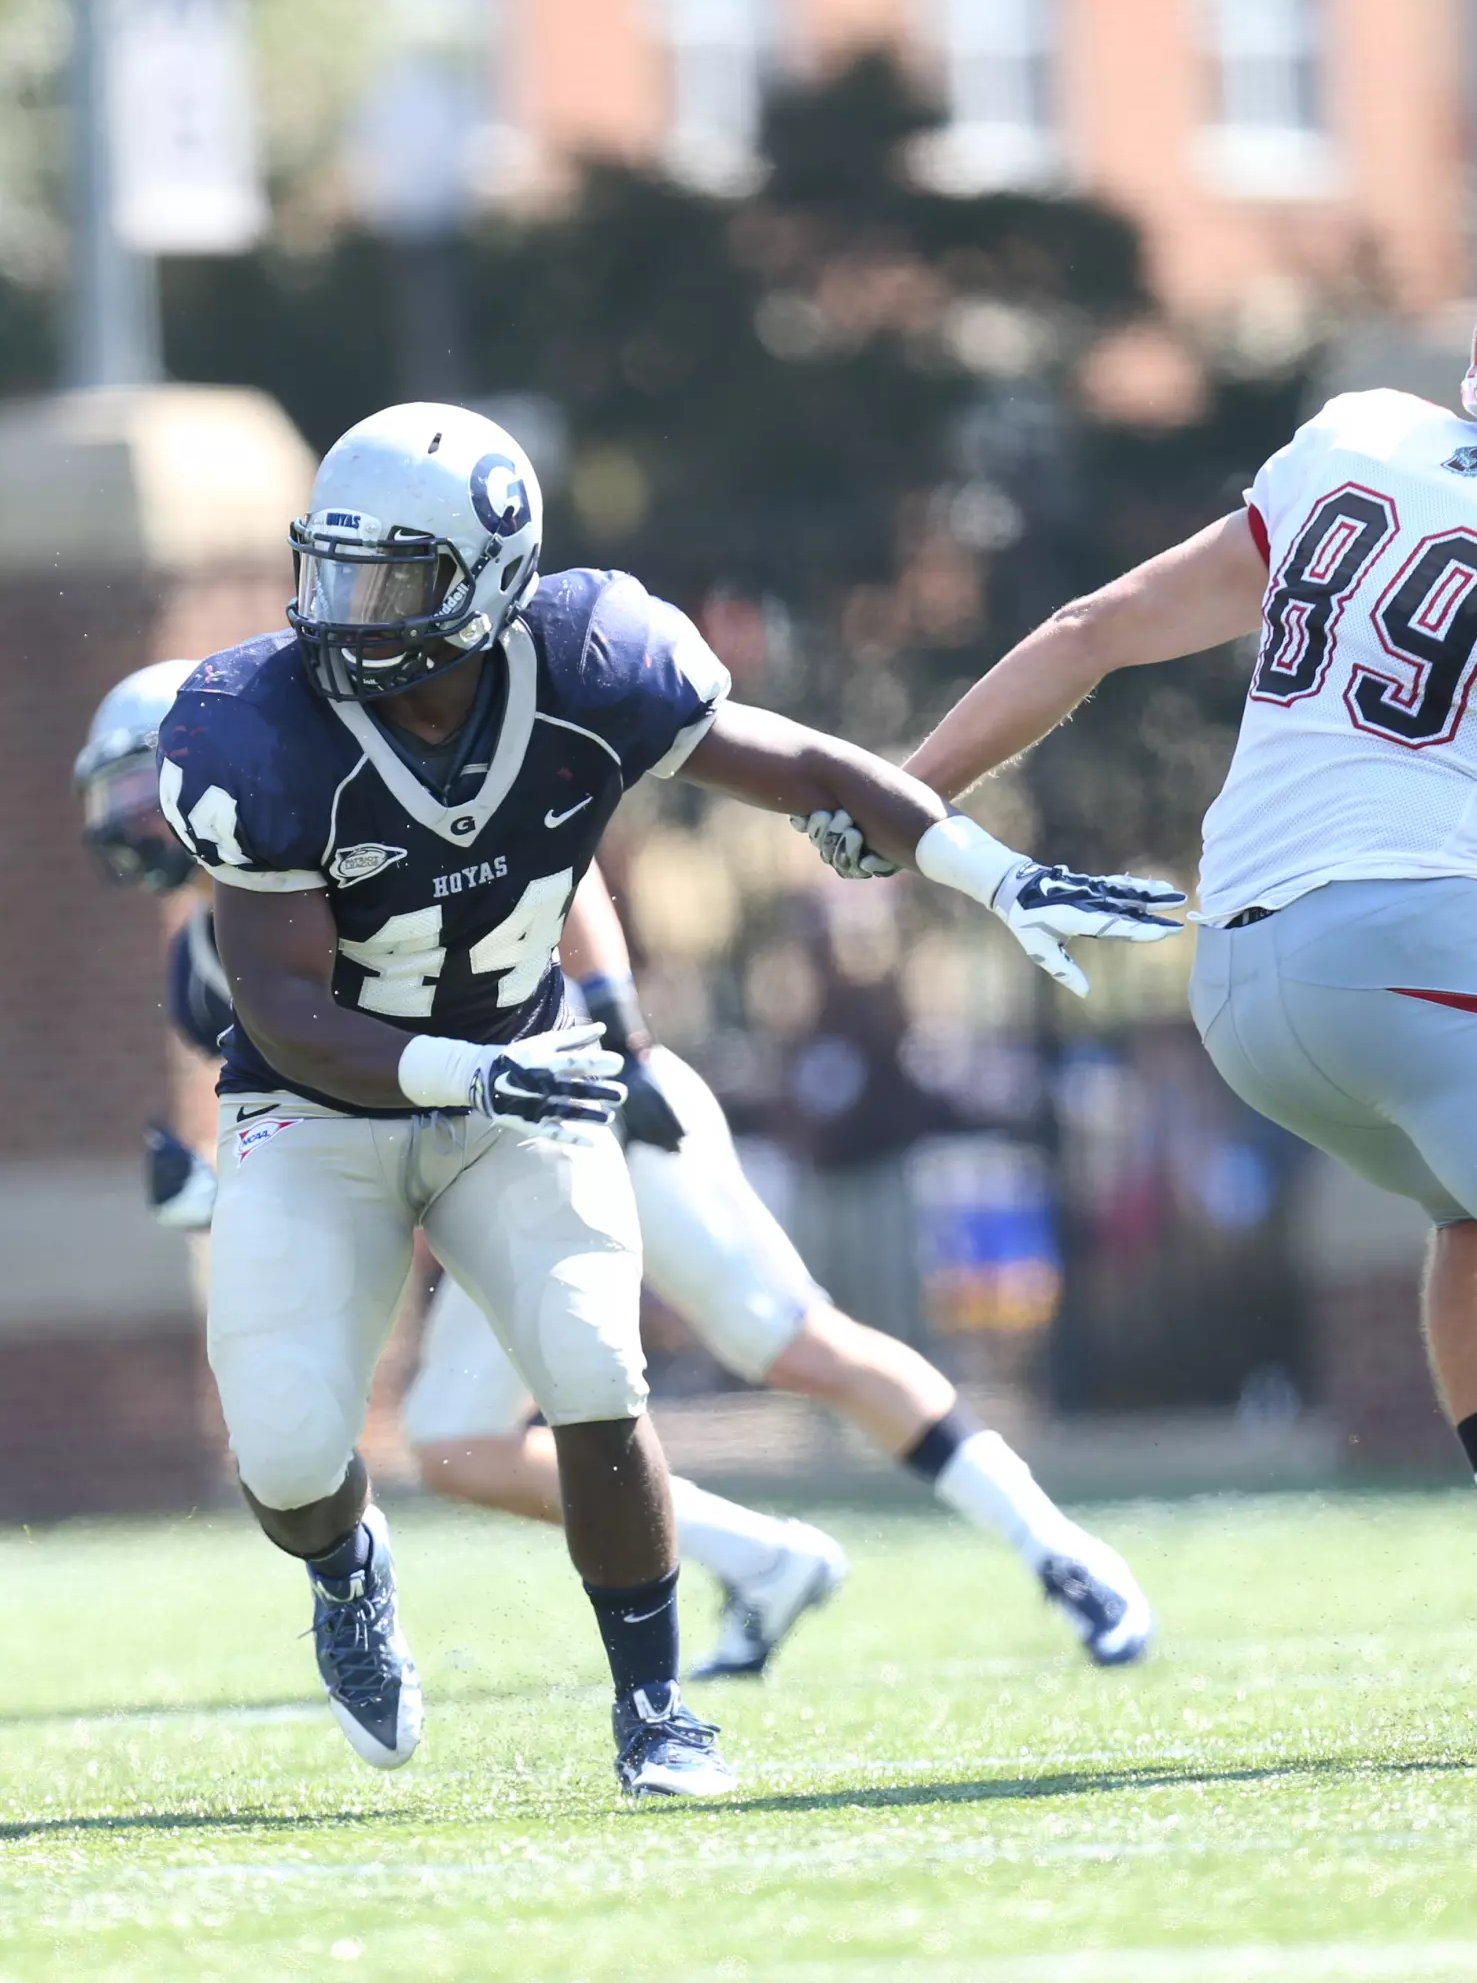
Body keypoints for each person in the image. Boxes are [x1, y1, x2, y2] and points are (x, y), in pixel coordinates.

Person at [801, 233, 1477, 1763]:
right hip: (1408, 954)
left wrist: (911, 791)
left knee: (1473, 1216)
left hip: (1240, 976)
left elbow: (1094, 631)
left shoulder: (1359, 442)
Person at [143, 401, 1182, 1794]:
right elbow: (280, 1005)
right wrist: (466, 1070)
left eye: (391, 581)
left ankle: (655, 1710)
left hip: (525, 1080)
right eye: (335, 572)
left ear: (491, 579)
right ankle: (345, 1570)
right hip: (323, 1105)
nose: (350, 614)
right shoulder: (259, 728)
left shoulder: (590, 661)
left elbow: (806, 769)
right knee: (282, 1447)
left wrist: (995, 875)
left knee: (592, 1363)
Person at [78, 667, 1157, 1685]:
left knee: (786, 1339)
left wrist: (622, 1037)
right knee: (456, 1441)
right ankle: (763, 1559)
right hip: (481, 1166)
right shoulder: (207, 972)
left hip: (582, 1098)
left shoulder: (358, 808)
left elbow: (560, 869)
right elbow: (339, 1165)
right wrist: (220, 1200)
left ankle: (1058, 1548)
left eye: (143, 780)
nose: (133, 815)